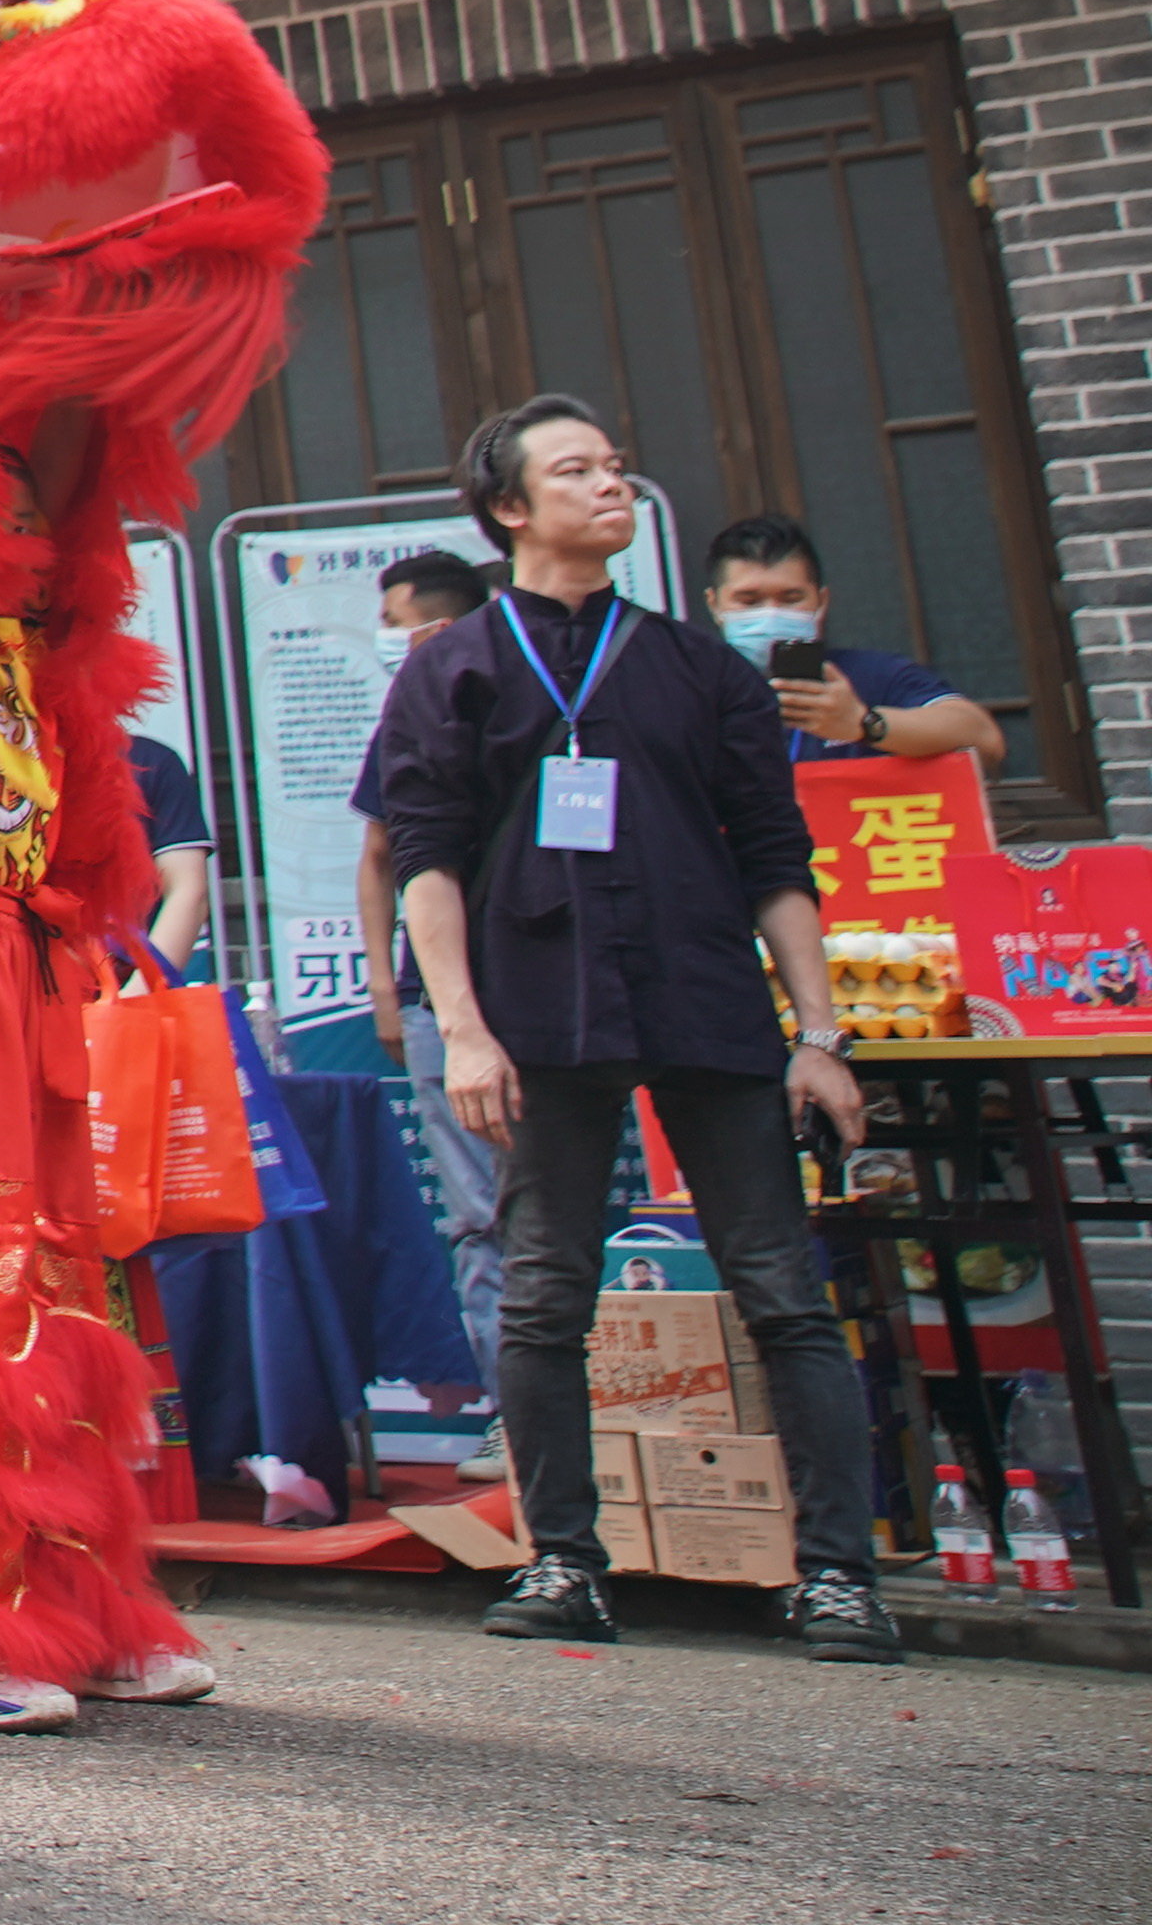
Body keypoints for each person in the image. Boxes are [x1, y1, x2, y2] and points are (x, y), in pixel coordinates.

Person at [375, 396, 898, 1658]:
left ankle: (837, 1573)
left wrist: (820, 1033)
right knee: (546, 1290)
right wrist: (462, 1028)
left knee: (782, 1290)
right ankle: (563, 1559)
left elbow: (775, 855)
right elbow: (426, 860)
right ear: (511, 507)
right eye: (577, 470)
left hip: (703, 995)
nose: (611, 484)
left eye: (615, 465)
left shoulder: (696, 666)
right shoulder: (453, 667)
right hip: (538, 1009)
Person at [346, 550, 507, 1366]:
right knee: (476, 1212)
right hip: (434, 1003)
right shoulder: (401, 723)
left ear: (441, 630)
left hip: (542, 988)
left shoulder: (529, 705)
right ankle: (512, 1411)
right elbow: (379, 860)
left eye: (393, 622)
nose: (384, 638)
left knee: (554, 1207)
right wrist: (385, 987)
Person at [699, 516, 1002, 774]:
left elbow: (984, 738)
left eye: (791, 599)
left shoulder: (871, 675)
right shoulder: (688, 686)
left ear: (821, 601)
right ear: (714, 604)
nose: (771, 614)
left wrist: (863, 723)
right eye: (749, 601)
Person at [128, 729, 218, 974]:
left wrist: (143, 988)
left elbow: (187, 890)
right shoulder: (28, 772)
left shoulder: (149, 760)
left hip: (127, 976)